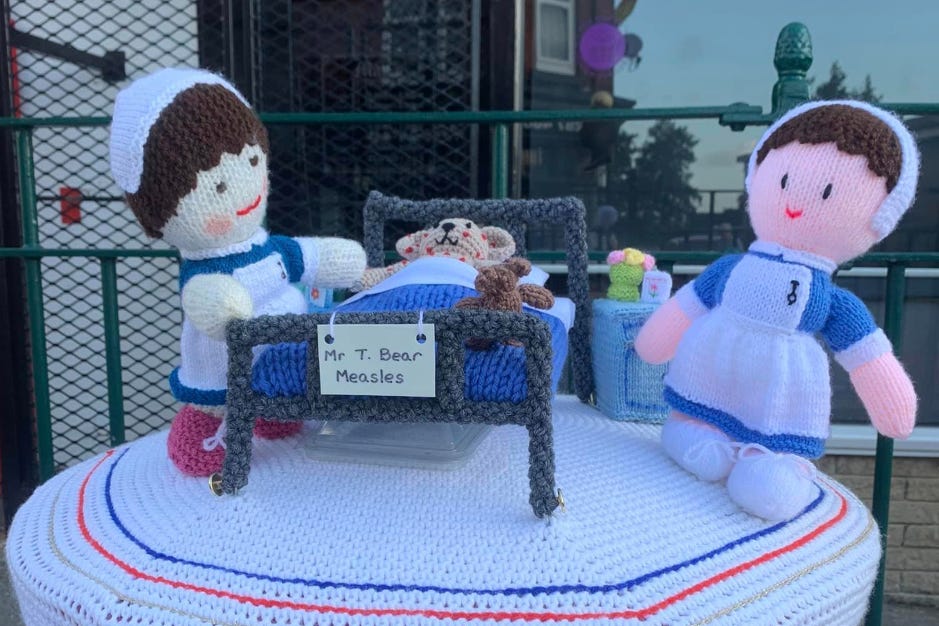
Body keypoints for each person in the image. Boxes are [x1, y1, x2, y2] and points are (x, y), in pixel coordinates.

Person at [635, 101, 919, 521]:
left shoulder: (827, 298)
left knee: (768, 486)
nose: (795, 202)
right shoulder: (731, 269)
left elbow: (865, 352)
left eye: (826, 192)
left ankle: (773, 464)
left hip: (780, 393)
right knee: (696, 428)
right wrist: (652, 343)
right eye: (784, 180)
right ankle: (699, 429)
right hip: (713, 372)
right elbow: (689, 303)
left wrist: (891, 403)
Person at [109, 68, 366, 476]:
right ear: (162, 211)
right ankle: (203, 432)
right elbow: (206, 298)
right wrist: (224, 306)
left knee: (283, 394)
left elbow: (306, 255)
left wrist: (344, 260)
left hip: (285, 354)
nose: (246, 191)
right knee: (215, 405)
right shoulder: (205, 272)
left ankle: (276, 412)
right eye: (219, 189)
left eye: (252, 161)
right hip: (224, 363)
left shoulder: (270, 249)